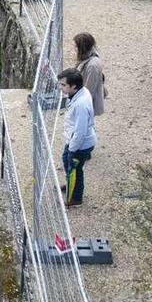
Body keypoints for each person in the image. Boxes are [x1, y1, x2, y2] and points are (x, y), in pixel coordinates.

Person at [58, 68, 97, 206]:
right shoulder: (81, 92)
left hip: (80, 144)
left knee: (74, 168)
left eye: (63, 85)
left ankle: (76, 198)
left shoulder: (80, 104)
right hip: (78, 140)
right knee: (71, 165)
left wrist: (72, 149)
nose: (60, 88)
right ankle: (71, 184)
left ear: (73, 86)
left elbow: (80, 132)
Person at [73, 32, 107, 116]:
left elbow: (89, 89)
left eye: (76, 47)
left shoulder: (92, 66)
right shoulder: (88, 58)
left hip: (87, 105)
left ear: (82, 48)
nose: (74, 49)